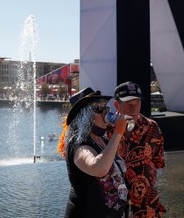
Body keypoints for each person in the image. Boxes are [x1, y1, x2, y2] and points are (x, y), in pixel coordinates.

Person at [57, 87, 132, 218]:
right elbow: (99, 168)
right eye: (99, 110)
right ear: (84, 116)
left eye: (106, 109)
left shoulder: (104, 140)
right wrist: (118, 132)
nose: (105, 114)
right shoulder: (78, 145)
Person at [110, 81, 166, 218]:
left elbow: (158, 162)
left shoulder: (153, 128)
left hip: (146, 203)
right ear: (117, 105)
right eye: (129, 104)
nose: (134, 109)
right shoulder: (107, 130)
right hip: (114, 201)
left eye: (137, 103)